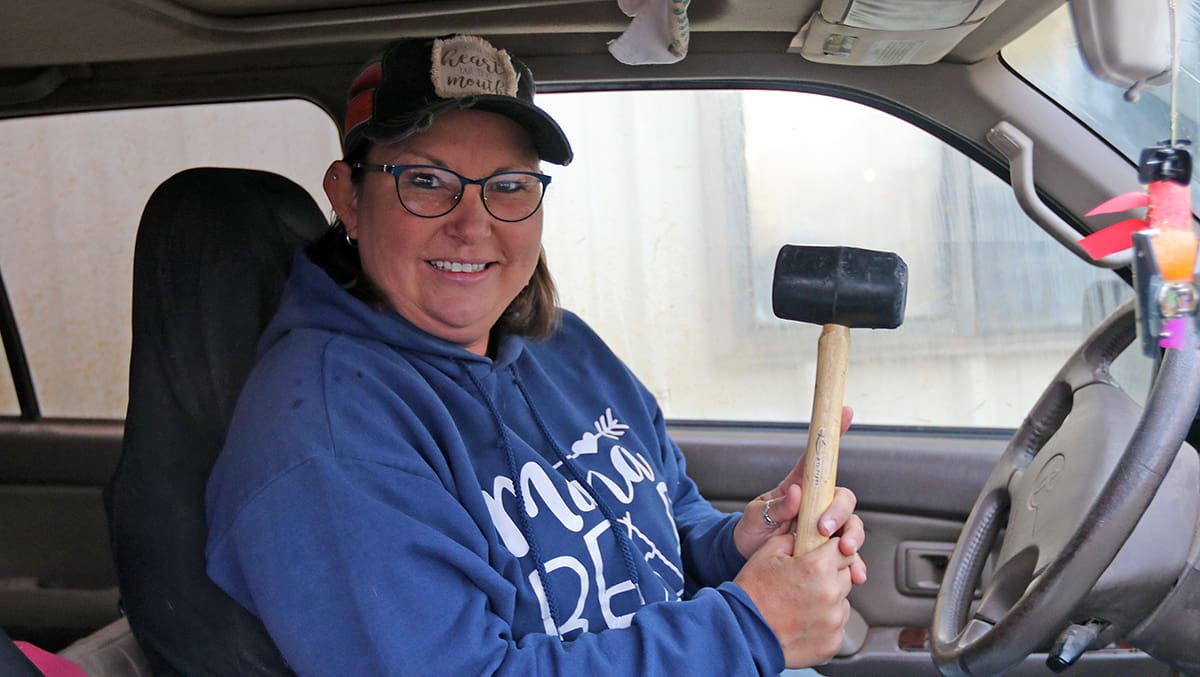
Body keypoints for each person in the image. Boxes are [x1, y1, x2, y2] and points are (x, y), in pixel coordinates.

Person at [204, 33, 866, 676]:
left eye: (511, 185)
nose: (472, 223)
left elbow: (667, 521)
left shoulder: (566, 348)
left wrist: (742, 541)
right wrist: (747, 627)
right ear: (349, 196)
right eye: (428, 180)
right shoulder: (324, 437)